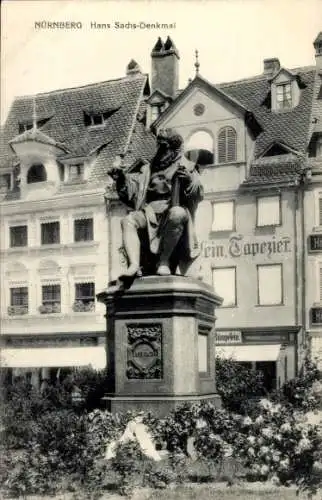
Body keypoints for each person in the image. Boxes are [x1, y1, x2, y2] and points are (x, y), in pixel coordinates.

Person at [107, 129, 204, 284]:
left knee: (177, 213)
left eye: (165, 146)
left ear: (174, 148)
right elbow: (132, 194)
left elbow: (198, 193)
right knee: (128, 220)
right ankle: (133, 265)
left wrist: (190, 179)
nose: (161, 149)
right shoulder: (148, 169)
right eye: (160, 145)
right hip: (149, 212)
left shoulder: (187, 165)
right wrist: (120, 179)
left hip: (172, 209)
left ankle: (164, 261)